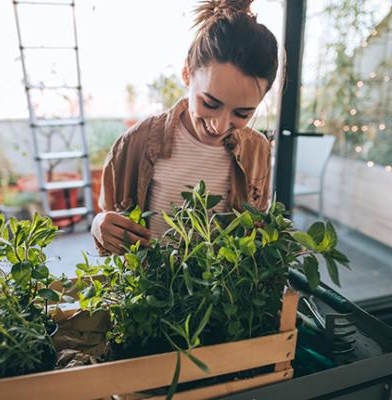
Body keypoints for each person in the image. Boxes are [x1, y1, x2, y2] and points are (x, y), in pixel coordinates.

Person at [92, 0, 279, 255]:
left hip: (224, 293)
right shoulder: (136, 142)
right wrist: (99, 225)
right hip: (151, 289)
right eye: (210, 103)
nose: (220, 125)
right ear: (187, 73)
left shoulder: (257, 150)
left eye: (242, 113)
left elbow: (258, 227)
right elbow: (108, 215)